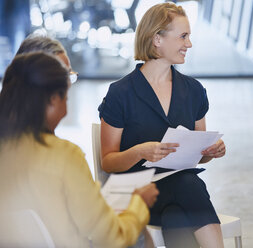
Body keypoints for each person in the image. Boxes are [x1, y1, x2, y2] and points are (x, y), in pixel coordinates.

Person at [98, 3, 226, 248]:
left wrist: (211, 151)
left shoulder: (194, 91)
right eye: (183, 36)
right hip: (137, 194)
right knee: (189, 185)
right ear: (157, 38)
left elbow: (200, 156)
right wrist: (140, 151)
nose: (189, 44)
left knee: (176, 216)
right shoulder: (120, 93)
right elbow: (108, 161)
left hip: (177, 196)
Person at [0, 52, 159, 247]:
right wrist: (138, 204)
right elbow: (111, 239)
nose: (67, 106)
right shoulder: (64, 156)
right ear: (52, 100)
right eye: (66, 97)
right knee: (138, 234)